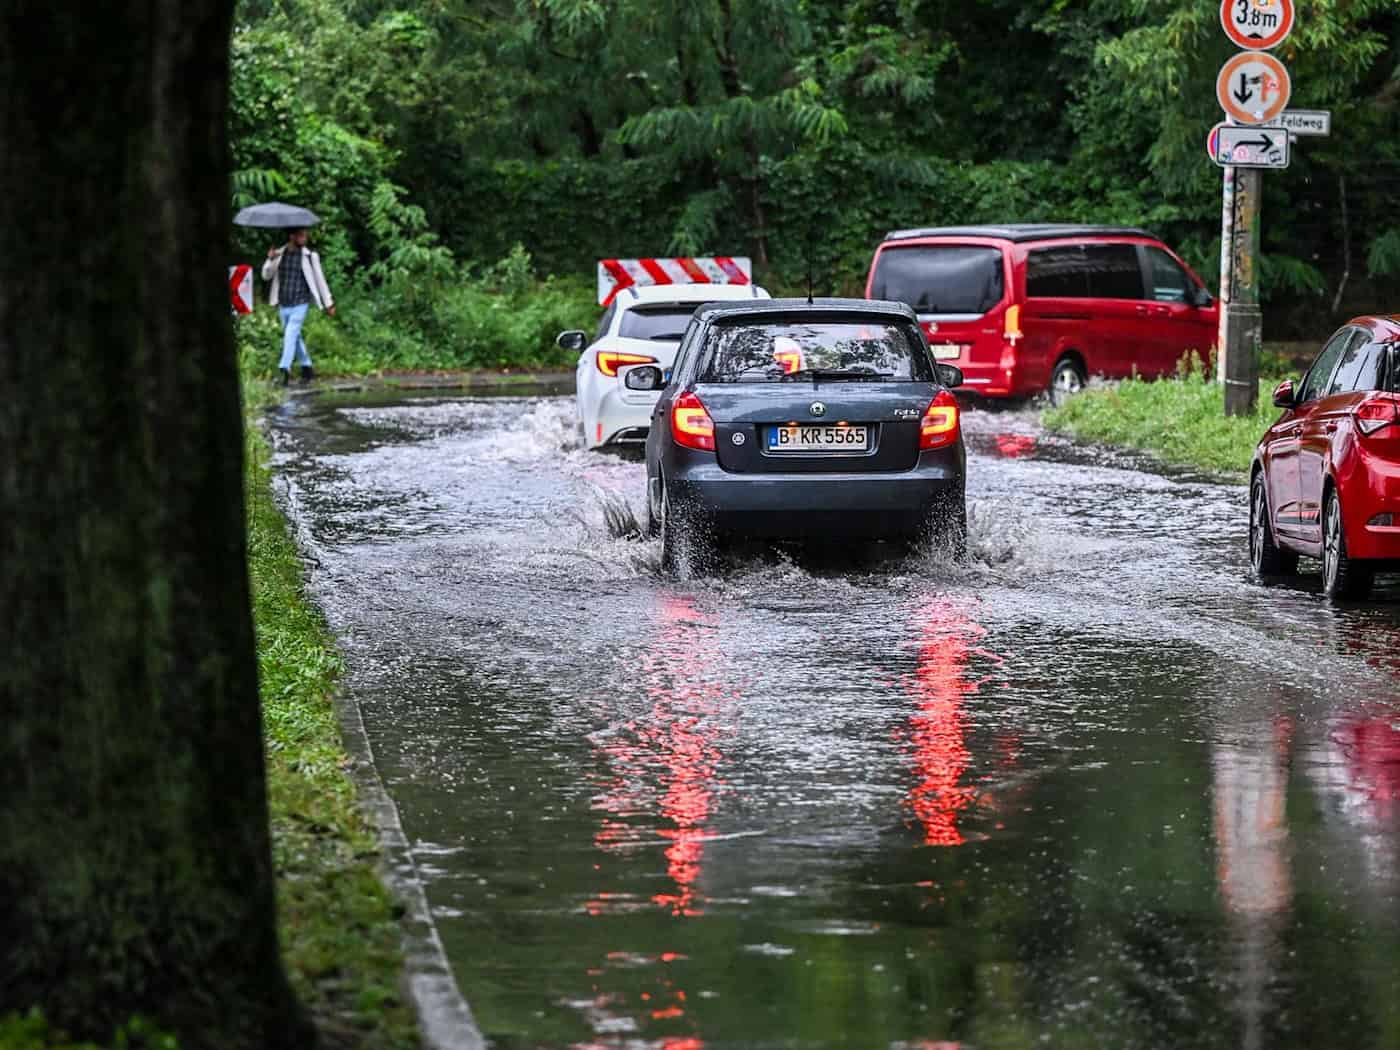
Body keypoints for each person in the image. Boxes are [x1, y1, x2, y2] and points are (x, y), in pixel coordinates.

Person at [261, 227, 335, 385]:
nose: (305, 239)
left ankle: (284, 369)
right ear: (292, 236)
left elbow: (320, 280)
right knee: (294, 336)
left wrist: (329, 303)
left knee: (290, 332)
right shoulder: (279, 254)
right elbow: (266, 275)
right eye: (301, 236)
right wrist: (270, 259)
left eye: (305, 236)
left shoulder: (310, 256)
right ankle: (307, 367)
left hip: (301, 302)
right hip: (283, 302)